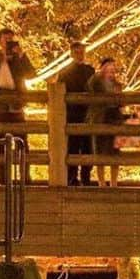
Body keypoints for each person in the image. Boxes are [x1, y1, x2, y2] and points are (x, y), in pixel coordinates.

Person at [0, 28, 35, 183]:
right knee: (0, 146)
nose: (9, 41)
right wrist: (2, 61)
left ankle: (25, 178)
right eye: (6, 39)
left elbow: (31, 73)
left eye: (11, 39)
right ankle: (3, 179)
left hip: (16, 107)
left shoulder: (19, 58)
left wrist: (21, 56)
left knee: (22, 144)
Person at [56, 41, 95, 186]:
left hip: (87, 114)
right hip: (72, 114)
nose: (80, 55)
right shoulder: (65, 73)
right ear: (72, 54)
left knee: (87, 147)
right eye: (77, 52)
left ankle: (86, 177)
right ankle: (71, 177)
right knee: (72, 146)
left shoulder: (90, 70)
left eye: (82, 52)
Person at [85, 57, 125, 186]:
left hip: (114, 117)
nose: (111, 68)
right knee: (99, 150)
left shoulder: (117, 84)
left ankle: (114, 182)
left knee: (115, 150)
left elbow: (121, 101)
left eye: (113, 66)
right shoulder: (95, 81)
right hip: (99, 117)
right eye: (108, 65)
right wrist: (99, 74)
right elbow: (89, 87)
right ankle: (101, 182)